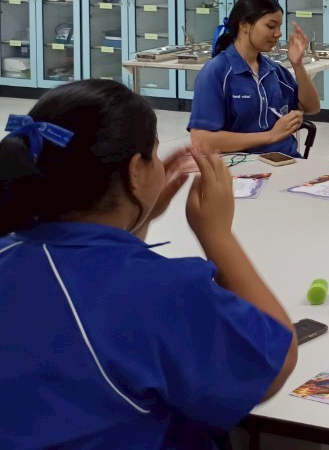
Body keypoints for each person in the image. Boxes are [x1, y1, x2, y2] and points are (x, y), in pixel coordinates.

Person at [0, 81, 298, 449]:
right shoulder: (164, 290)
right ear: (135, 172)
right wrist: (217, 235)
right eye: (154, 156)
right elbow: (276, 360)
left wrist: (138, 216)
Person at [188, 0, 321, 157]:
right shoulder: (216, 72)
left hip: (286, 161)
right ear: (244, 25)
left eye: (279, 27)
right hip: (243, 165)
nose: (278, 34)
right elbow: (201, 140)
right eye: (271, 26)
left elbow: (311, 107)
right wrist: (270, 136)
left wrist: (298, 65)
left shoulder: (273, 70)